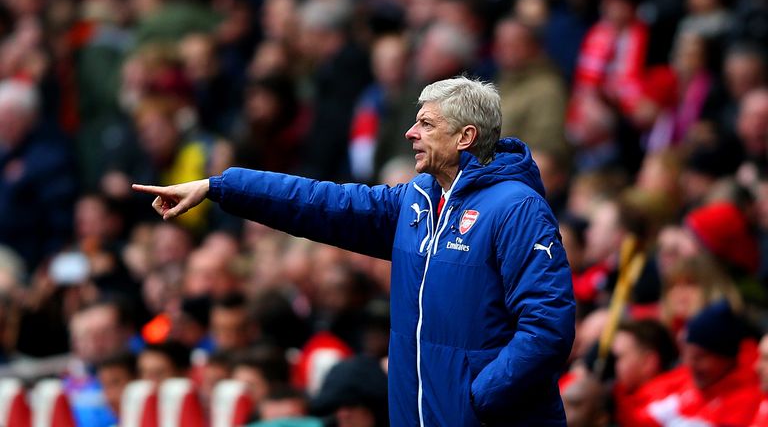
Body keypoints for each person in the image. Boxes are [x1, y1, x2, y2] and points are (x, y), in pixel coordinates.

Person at [134, 76, 575, 426]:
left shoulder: (517, 207)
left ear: (466, 137)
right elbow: (321, 202)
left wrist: (477, 398)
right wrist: (220, 186)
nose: (410, 132)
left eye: (426, 124)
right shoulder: (417, 200)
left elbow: (547, 328)